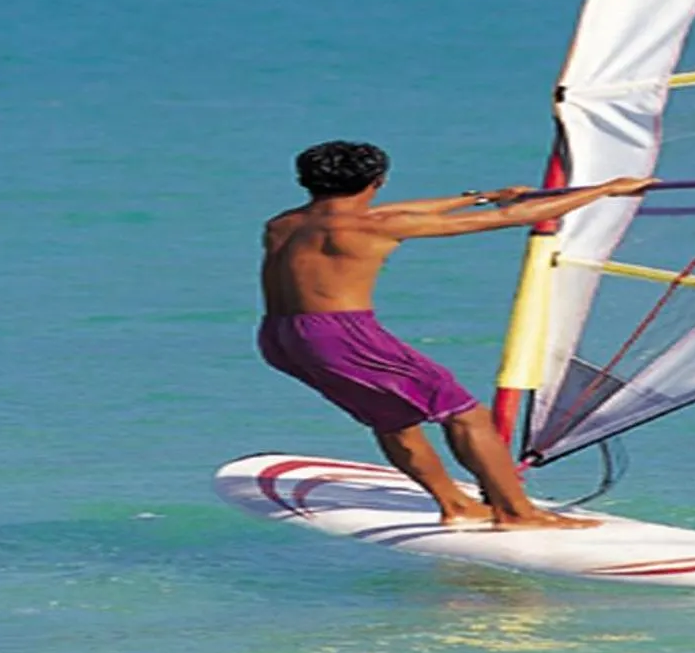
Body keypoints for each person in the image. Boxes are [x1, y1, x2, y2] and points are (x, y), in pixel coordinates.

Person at [259, 140, 654, 529]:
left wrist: (480, 197)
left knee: (393, 418)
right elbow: (511, 218)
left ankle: (455, 504)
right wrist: (605, 191)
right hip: (343, 336)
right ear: (377, 181)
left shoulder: (283, 223)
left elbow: (393, 212)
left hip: (282, 337)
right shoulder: (372, 225)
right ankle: (517, 513)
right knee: (467, 417)